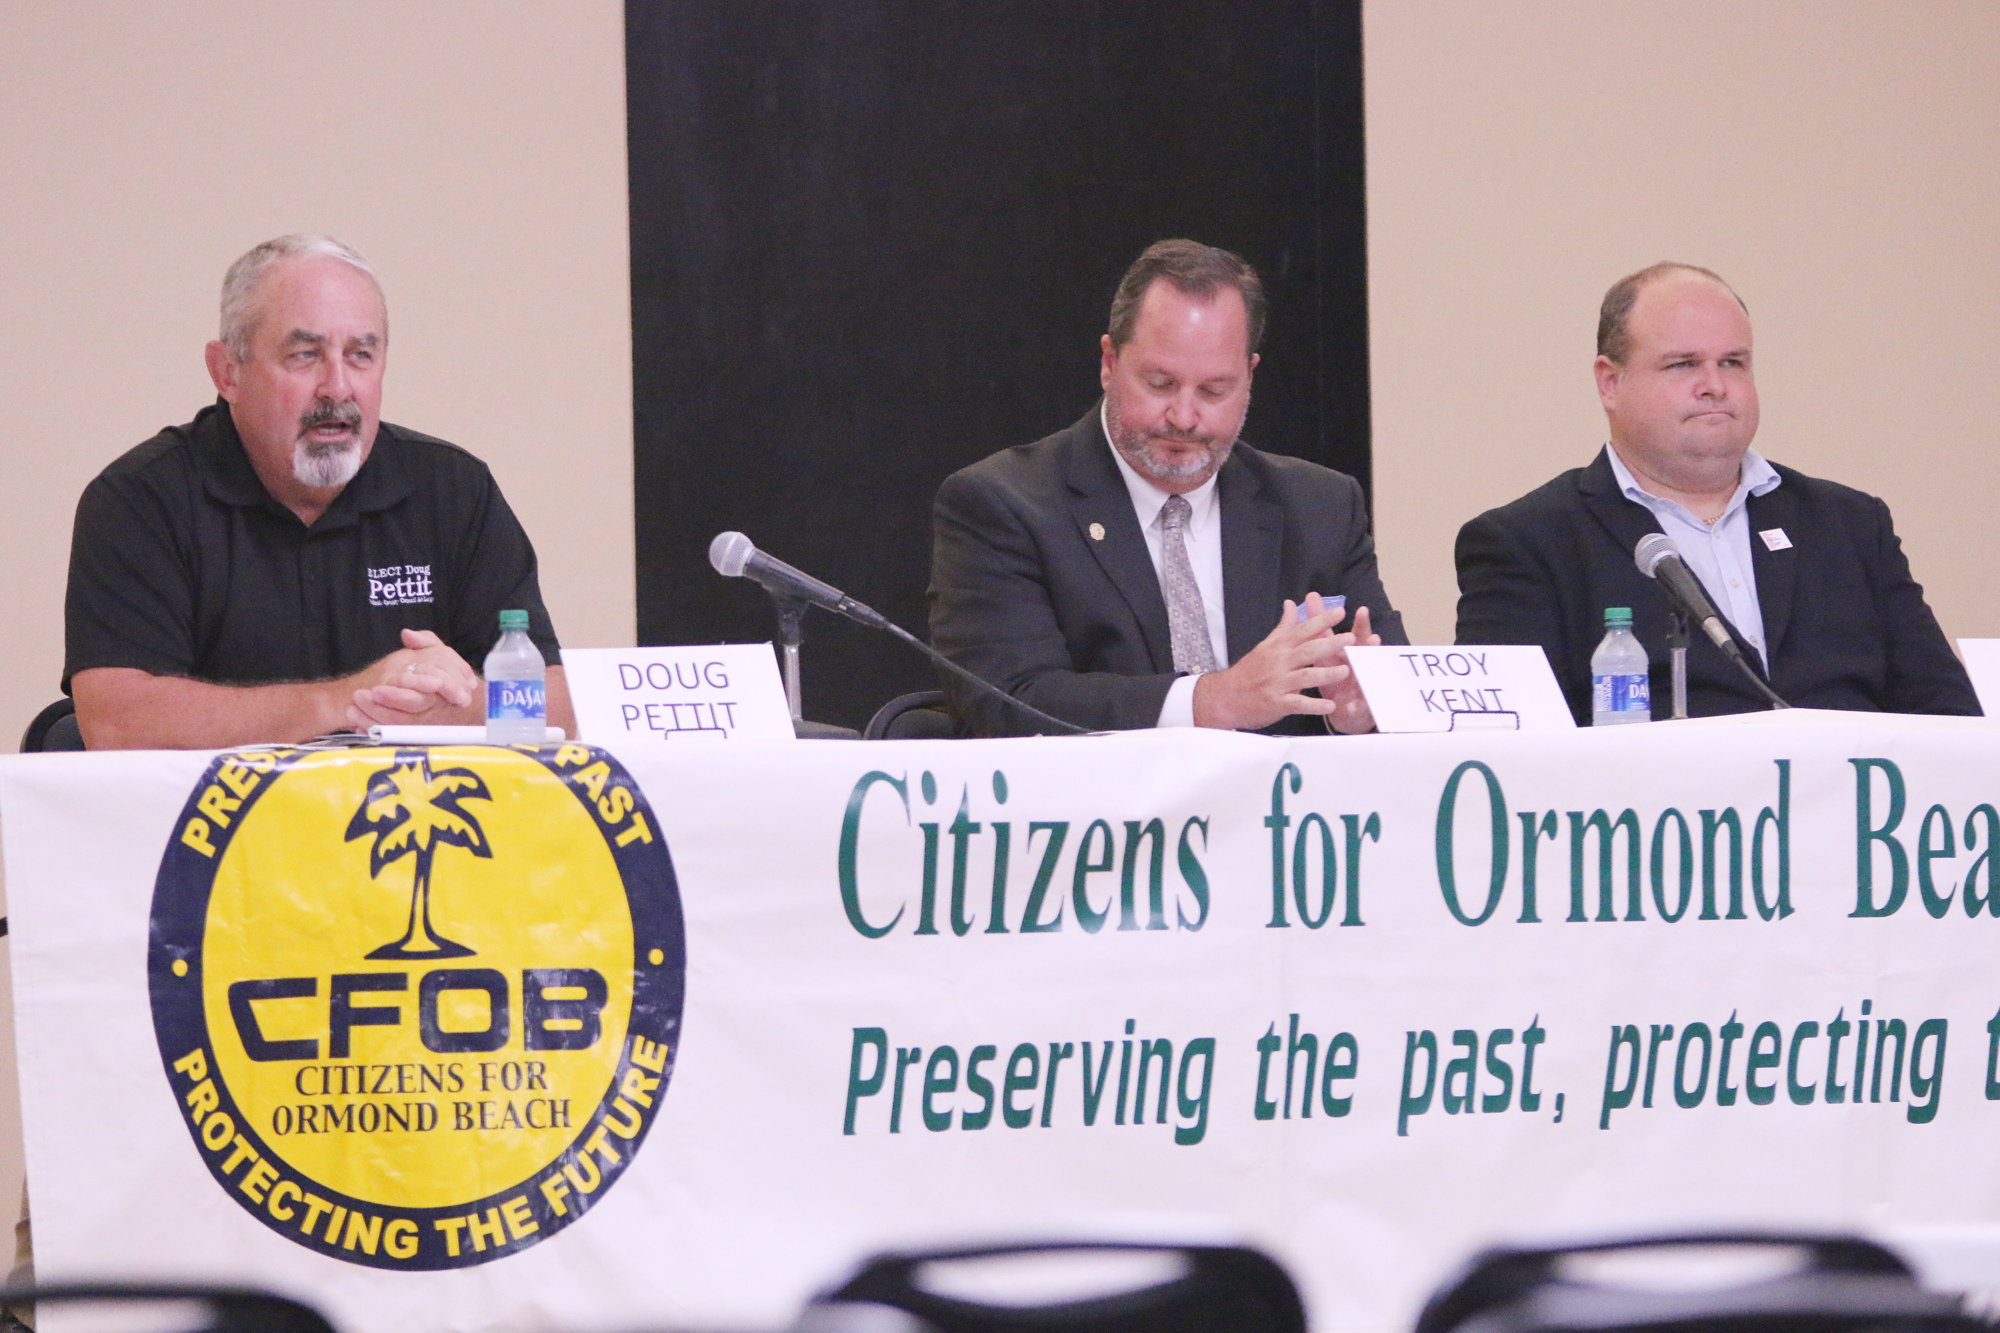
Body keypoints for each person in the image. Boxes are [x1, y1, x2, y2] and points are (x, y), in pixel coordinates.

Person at [63, 234, 576, 749]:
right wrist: (345, 700)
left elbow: (557, 705)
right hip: (216, 825)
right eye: (306, 355)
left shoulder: (453, 490)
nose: (338, 387)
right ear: (227, 372)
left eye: (360, 355)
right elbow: (118, 723)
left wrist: (444, 709)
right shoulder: (139, 500)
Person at [1455, 262, 1976, 721]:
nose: (1715, 385)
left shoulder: (1850, 524)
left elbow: (1949, 717)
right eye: (1683, 364)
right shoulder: (1527, 543)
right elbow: (1508, 749)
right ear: (1610, 382)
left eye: (1733, 362)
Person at [930, 239, 1405, 737]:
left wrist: (1362, 713)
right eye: (1159, 384)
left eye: (1214, 391)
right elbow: (1009, 702)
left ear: (1250, 377)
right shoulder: (1002, 504)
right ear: (1109, 363)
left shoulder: (1320, 506)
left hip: (1284, 810)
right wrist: (1210, 701)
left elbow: (1395, 682)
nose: (1184, 417)